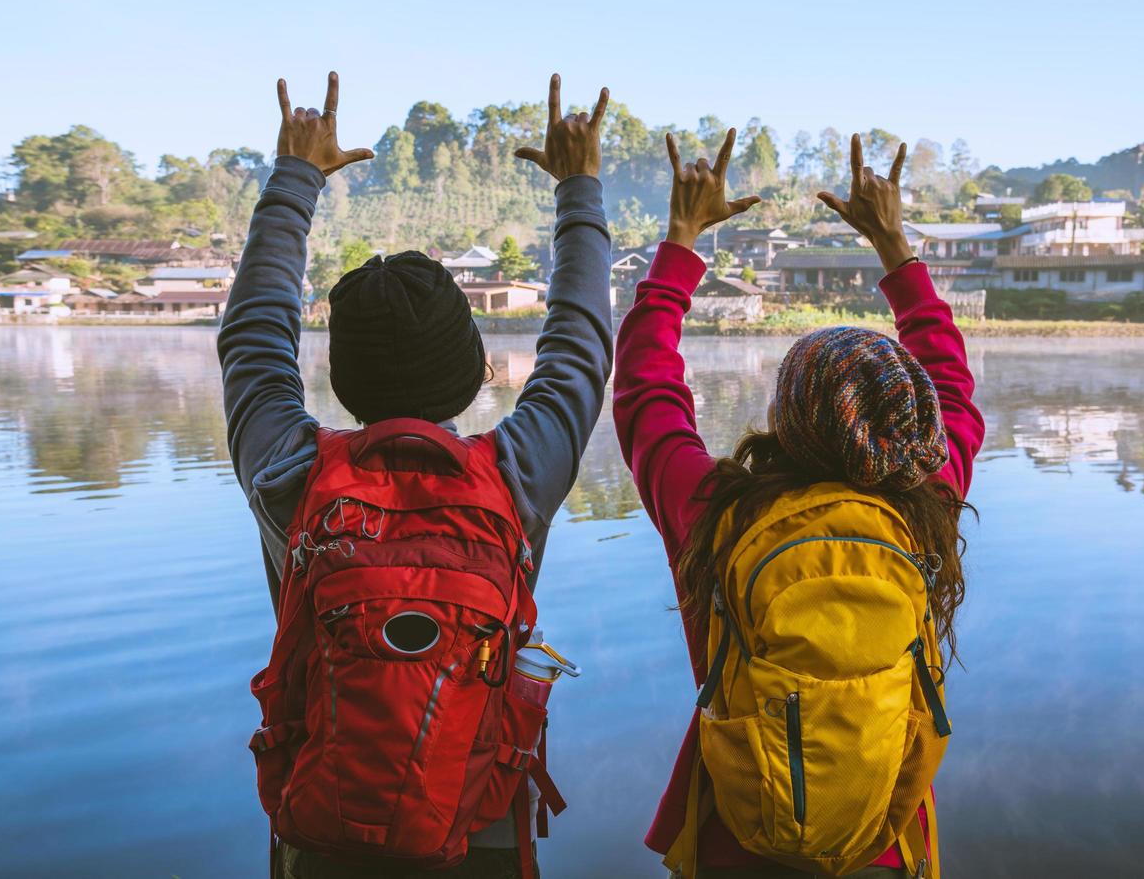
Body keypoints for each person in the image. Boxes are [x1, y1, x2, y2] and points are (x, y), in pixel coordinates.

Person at [219, 72, 614, 879]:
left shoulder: (292, 474)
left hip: (322, 824)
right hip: (479, 826)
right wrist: (579, 189)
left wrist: (296, 175)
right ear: (472, 376)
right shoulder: (516, 473)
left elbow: (254, 336)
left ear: (345, 380)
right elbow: (579, 340)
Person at [612, 131, 984, 878]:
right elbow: (952, 380)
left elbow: (646, 388)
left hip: (735, 842)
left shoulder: (714, 511)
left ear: (785, 418)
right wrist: (895, 247)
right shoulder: (927, 504)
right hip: (884, 842)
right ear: (917, 420)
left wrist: (682, 240)